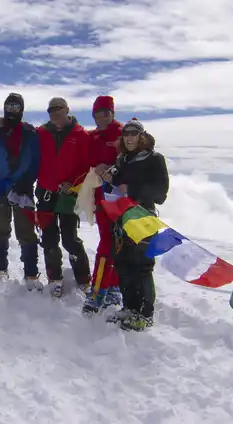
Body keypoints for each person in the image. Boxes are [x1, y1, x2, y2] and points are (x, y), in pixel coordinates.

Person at [98, 118, 169, 331]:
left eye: (133, 133)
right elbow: (119, 185)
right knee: (123, 264)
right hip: (122, 219)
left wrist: (133, 189)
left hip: (143, 218)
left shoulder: (154, 159)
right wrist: (111, 178)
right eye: (126, 134)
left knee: (142, 267)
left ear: (141, 136)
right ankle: (130, 307)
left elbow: (161, 193)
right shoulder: (122, 160)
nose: (129, 137)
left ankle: (145, 314)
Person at [0, 92, 42, 290]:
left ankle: (31, 275)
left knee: (26, 232)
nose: (12, 111)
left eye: (16, 107)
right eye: (9, 107)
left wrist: (27, 182)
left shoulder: (30, 135)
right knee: (0, 230)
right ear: (4, 108)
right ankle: (0, 269)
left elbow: (36, 161)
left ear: (22, 110)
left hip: (22, 190)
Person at [33, 97, 92, 298]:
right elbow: (31, 157)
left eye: (58, 109)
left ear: (67, 109)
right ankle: (54, 279)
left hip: (69, 195)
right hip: (46, 192)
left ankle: (84, 280)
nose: (55, 113)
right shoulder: (41, 133)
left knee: (69, 238)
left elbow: (87, 166)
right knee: (48, 238)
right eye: (51, 110)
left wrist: (73, 183)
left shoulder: (81, 134)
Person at [83, 95, 124, 315]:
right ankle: (101, 289)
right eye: (98, 113)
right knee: (107, 242)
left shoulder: (122, 133)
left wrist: (112, 169)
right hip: (101, 198)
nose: (102, 117)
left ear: (112, 113)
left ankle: (108, 288)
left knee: (117, 243)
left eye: (106, 112)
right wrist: (98, 168)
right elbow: (88, 159)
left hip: (122, 199)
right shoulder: (94, 137)